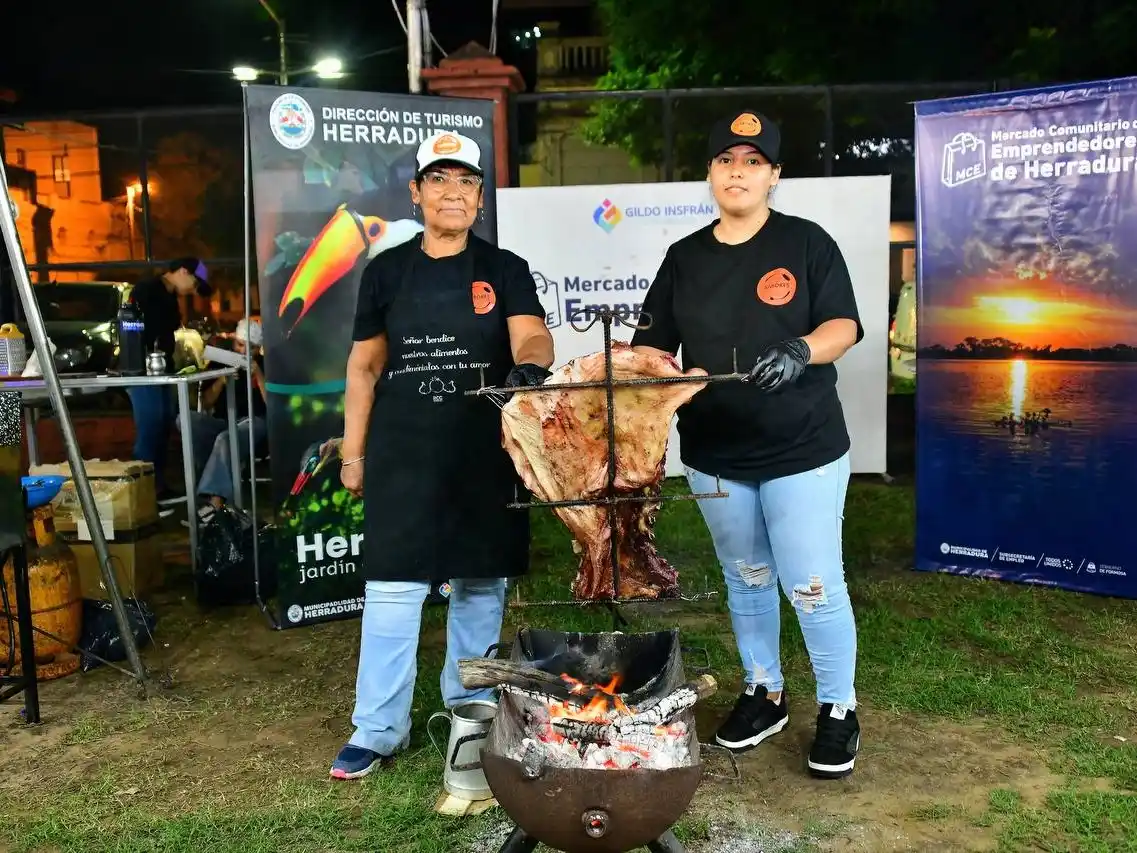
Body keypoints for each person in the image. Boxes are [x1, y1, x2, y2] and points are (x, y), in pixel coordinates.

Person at [631, 110, 864, 780]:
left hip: (802, 447)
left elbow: (843, 325)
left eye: (753, 162)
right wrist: (657, 377)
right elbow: (651, 348)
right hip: (714, 452)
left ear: (773, 175)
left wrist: (801, 348)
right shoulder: (684, 258)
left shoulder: (806, 242)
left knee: (812, 583)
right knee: (748, 576)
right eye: (726, 161)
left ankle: (838, 706)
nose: (738, 172)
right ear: (710, 173)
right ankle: (765, 692)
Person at [330, 130, 555, 780]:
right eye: (439, 179)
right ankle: (378, 729)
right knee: (392, 588)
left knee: (480, 584)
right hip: (402, 451)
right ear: (416, 192)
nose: (452, 192)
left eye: (465, 182)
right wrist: (353, 453)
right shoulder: (386, 271)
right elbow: (363, 367)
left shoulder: (504, 268)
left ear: (479, 198)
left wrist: (530, 369)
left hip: (485, 451)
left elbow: (533, 336)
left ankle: (470, 712)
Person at [126, 257, 212, 508]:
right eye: (195, 283)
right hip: (144, 370)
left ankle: (158, 486)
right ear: (183, 271)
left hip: (161, 368)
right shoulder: (147, 290)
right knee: (151, 425)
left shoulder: (168, 295)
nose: (193, 290)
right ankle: (143, 493)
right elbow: (139, 328)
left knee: (163, 423)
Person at [188, 317, 268, 523]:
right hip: (224, 421)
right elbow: (205, 402)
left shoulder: (266, 365)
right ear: (234, 342)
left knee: (225, 439)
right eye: (240, 345)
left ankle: (215, 504)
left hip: (255, 422)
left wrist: (258, 374)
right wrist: (222, 381)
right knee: (187, 421)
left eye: (251, 347)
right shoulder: (222, 361)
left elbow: (273, 406)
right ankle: (207, 485)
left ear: (258, 349)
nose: (243, 351)